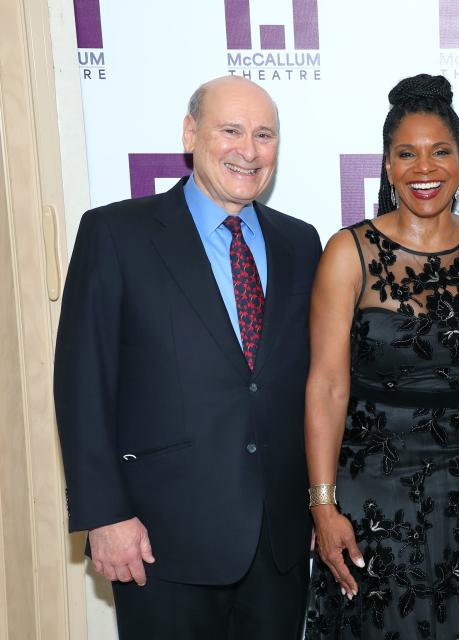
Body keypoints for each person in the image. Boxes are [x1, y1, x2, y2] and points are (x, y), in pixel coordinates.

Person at [53, 76, 321, 639]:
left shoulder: (301, 243)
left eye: (264, 134)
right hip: (159, 543)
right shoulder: (116, 233)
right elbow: (83, 384)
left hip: (279, 543)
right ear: (190, 133)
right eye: (231, 130)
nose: (248, 150)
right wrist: (104, 514)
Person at [303, 74, 459, 639]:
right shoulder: (347, 252)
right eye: (407, 153)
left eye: (439, 152)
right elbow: (327, 386)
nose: (424, 169)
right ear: (386, 165)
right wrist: (324, 507)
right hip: (375, 493)